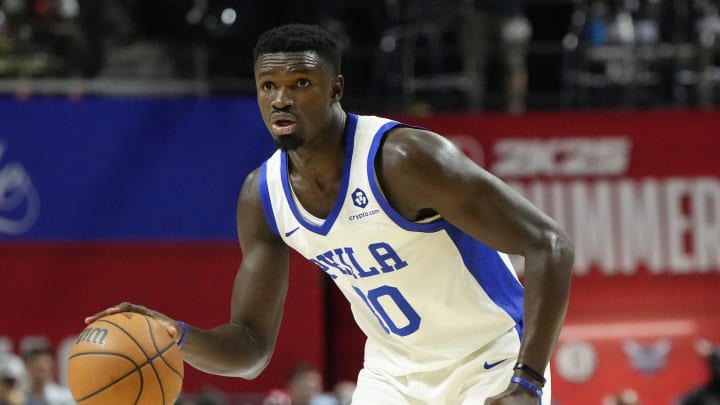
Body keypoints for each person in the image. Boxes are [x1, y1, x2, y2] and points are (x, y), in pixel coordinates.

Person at [86, 23, 574, 404]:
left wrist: (527, 379)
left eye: (301, 83)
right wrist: (174, 336)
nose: (281, 98)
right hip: (393, 375)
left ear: (336, 88)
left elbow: (550, 244)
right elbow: (251, 348)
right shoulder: (264, 196)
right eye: (268, 85)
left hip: (486, 362)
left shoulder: (403, 159)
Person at [463, 0, 532, 114]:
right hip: (478, 10)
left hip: (512, 12)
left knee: (515, 64)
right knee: (474, 63)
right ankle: (474, 110)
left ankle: (516, 111)